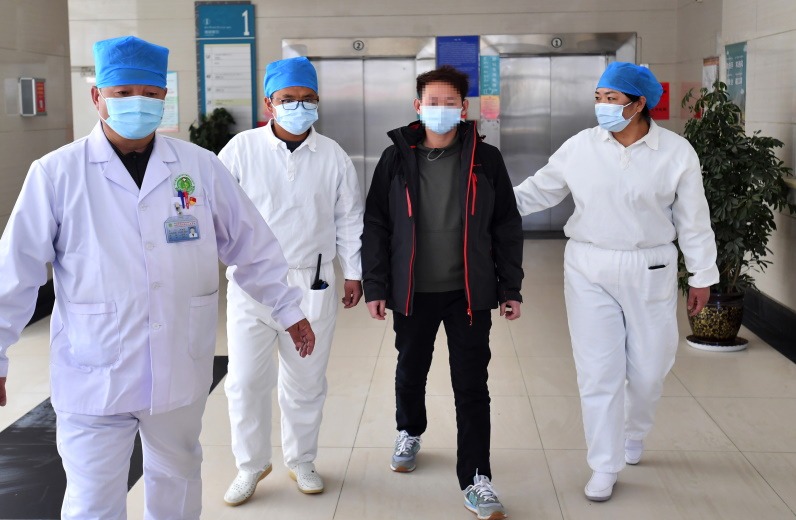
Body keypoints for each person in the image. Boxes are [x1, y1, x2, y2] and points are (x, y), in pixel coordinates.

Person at [0, 36, 315, 520]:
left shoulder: (197, 167)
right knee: (92, 498)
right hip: (94, 368)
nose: (137, 103)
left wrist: (289, 309)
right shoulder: (57, 174)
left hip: (176, 363)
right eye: (123, 92)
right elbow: (15, 271)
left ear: (164, 97)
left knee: (178, 479)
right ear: (97, 97)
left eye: (149, 92)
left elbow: (252, 246)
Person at [514, 62, 718, 502]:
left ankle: (634, 430)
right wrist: (484, 207)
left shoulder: (676, 152)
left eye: (612, 98)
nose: (602, 106)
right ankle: (603, 465)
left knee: (650, 368)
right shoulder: (580, 146)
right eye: (599, 97)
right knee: (598, 371)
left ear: (639, 103)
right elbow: (539, 190)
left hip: (651, 266)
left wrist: (703, 275)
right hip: (588, 265)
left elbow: (694, 220)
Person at [362, 65, 524, 520]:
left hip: (468, 292)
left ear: (464, 108)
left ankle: (477, 478)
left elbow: (507, 225)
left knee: (471, 384)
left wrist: (510, 286)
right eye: (432, 102)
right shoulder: (395, 159)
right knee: (410, 369)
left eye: (450, 102)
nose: (441, 109)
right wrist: (376, 284)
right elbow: (375, 224)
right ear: (418, 107)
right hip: (412, 290)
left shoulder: (485, 160)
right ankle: (409, 430)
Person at [217, 56, 364, 505]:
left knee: (306, 380)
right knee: (244, 381)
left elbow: (349, 217)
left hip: (312, 284)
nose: (298, 106)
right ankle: (251, 464)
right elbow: (216, 212)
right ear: (269, 103)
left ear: (317, 102)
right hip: (251, 285)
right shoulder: (240, 149)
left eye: (307, 99)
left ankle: (301, 459)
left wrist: (354, 271)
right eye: (288, 99)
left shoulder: (333, 156)